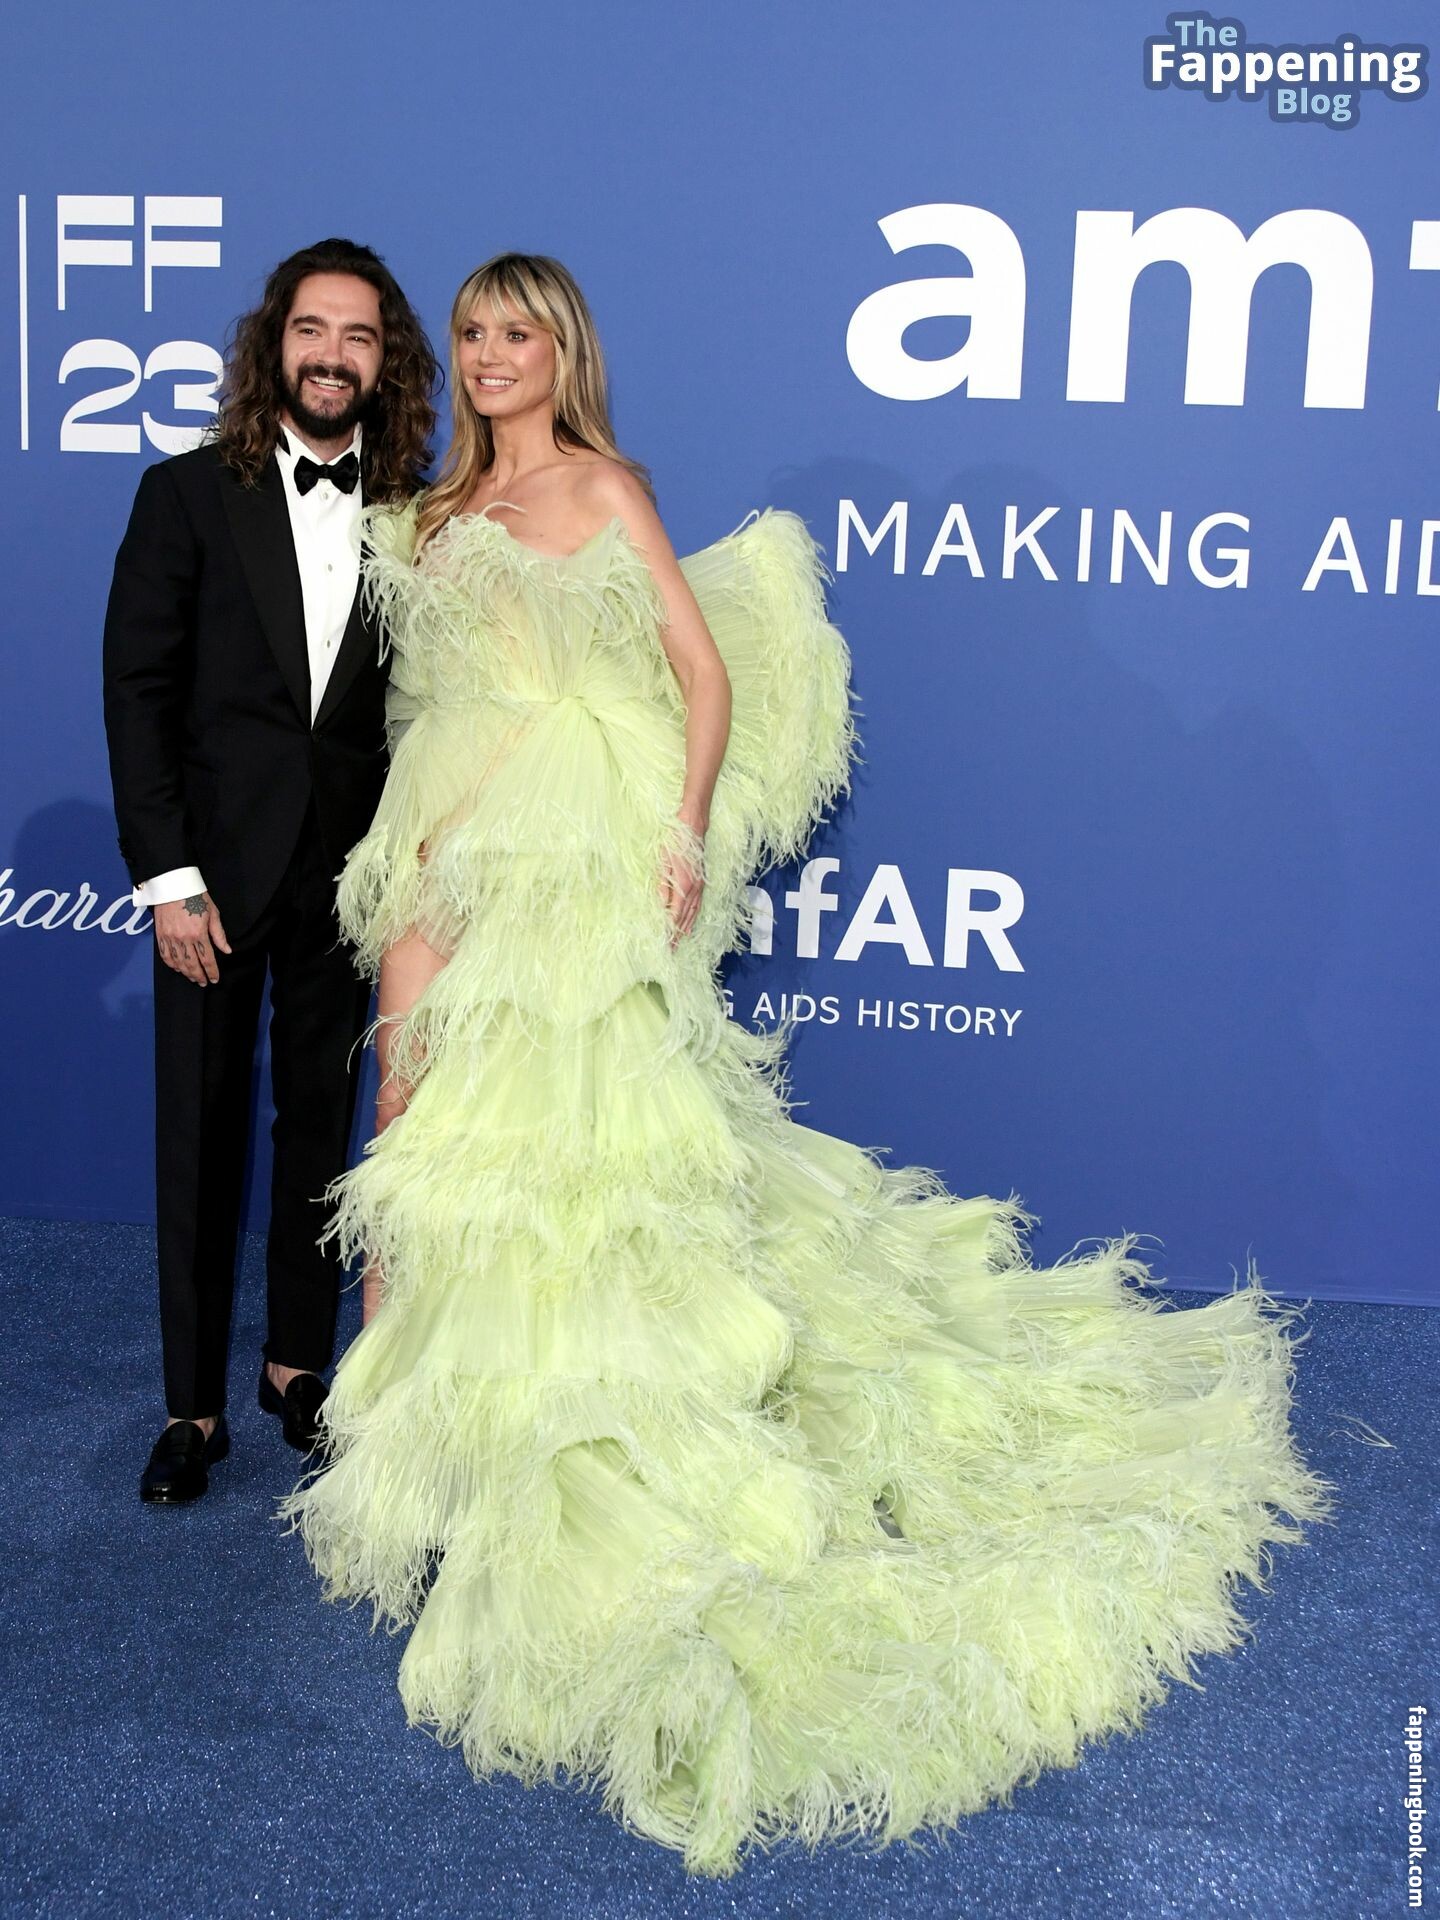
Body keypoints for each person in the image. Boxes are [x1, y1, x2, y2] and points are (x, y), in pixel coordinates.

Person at [284, 253, 1329, 1875]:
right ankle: (404, 1459)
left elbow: (701, 674)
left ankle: (557, 1450)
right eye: (475, 333)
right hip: (443, 833)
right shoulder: (429, 514)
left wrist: (682, 826)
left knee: (563, 1159)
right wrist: (422, 837)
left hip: (583, 851)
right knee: (408, 1128)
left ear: (564, 352)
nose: (491, 358)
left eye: (519, 335)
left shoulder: (606, 488)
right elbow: (424, 697)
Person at [103, 238, 440, 1504]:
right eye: (313, 330)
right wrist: (167, 878)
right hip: (211, 879)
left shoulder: (416, 517)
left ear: (385, 362)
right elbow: (137, 693)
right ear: (273, 344)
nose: (332, 357)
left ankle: (297, 1365)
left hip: (348, 880)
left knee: (320, 1127)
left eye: (359, 337)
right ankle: (191, 1410)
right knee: (197, 1136)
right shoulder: (186, 494)